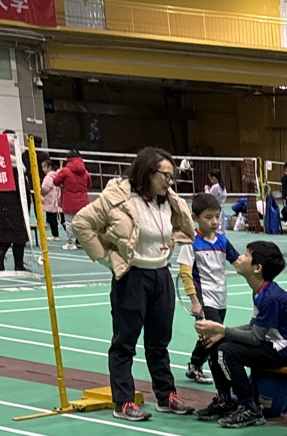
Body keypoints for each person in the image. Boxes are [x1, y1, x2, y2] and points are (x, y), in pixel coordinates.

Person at [72, 146, 197, 421]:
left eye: (172, 176)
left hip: (161, 275)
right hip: (132, 277)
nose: (170, 181)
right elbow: (81, 223)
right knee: (125, 343)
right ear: (147, 172)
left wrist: (173, 240)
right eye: (165, 175)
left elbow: (183, 227)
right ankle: (124, 401)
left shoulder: (169, 199)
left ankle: (166, 395)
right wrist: (107, 258)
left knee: (159, 342)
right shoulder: (118, 197)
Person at [195, 242, 287, 428]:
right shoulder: (261, 291)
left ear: (257, 268)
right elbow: (253, 326)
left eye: (246, 255)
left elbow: (255, 338)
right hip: (275, 343)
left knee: (226, 351)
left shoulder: (271, 298)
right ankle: (226, 401)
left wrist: (221, 330)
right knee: (215, 345)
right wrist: (220, 334)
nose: (240, 257)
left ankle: (250, 409)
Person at [178, 193, 239, 383]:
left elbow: (238, 263)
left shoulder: (222, 241)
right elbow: (185, 273)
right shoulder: (191, 243)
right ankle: (223, 382)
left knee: (210, 335)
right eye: (208, 217)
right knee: (216, 338)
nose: (214, 222)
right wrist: (194, 301)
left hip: (221, 297)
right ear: (195, 218)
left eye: (217, 217)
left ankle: (194, 365)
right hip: (204, 299)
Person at [52, 149, 91, 249]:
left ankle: (71, 243)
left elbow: (56, 181)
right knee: (82, 223)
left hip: (69, 201)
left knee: (69, 223)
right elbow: (89, 185)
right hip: (83, 201)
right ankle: (82, 242)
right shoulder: (85, 172)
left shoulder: (65, 171)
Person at [0, 184, 30, 271]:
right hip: (16, 208)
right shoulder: (19, 177)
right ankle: (19, 265)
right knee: (19, 237)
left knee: (5, 235)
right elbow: (25, 193)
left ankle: (0, 254)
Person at [40, 159, 61, 241]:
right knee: (57, 218)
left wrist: (40, 193)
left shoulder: (48, 177)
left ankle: (55, 234)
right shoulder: (58, 175)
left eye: (44, 167)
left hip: (50, 200)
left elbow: (45, 188)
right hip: (56, 199)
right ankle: (55, 234)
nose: (43, 169)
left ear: (49, 167)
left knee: (51, 218)